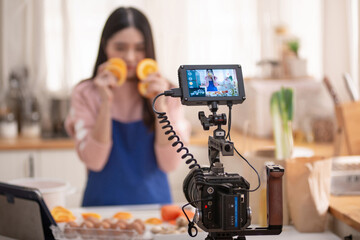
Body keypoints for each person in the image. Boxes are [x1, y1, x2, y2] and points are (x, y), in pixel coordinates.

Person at [65, 7, 190, 207]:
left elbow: (171, 163)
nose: (130, 57)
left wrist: (159, 104)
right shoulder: (85, 93)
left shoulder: (168, 92)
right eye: (120, 47)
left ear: (149, 48)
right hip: (99, 213)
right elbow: (94, 161)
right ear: (106, 46)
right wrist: (106, 102)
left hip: (156, 212)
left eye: (139, 48)